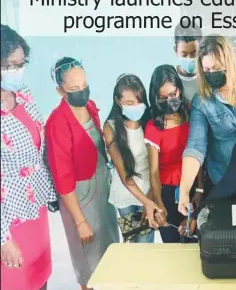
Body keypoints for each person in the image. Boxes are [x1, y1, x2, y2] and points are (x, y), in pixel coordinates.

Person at [45, 57, 120, 290]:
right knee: (88, 260)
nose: (82, 92)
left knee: (109, 249)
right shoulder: (57, 123)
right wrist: (80, 222)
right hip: (79, 198)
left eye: (84, 85)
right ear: (60, 91)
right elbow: (62, 178)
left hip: (101, 192)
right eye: (74, 89)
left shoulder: (90, 106)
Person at [177, 34, 236, 217]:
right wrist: (184, 191)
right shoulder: (202, 101)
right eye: (206, 70)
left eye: (216, 68)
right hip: (224, 181)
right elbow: (195, 147)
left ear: (229, 62)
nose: (211, 74)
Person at [1, 24, 57, 290]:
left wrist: (53, 190)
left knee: (39, 277)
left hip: (35, 208)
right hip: (8, 219)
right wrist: (3, 238)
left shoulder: (24, 94)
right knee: (15, 281)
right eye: (11, 65)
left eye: (21, 64)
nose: (18, 71)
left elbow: (40, 148)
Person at [145, 64, 201, 243]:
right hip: (167, 192)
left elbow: (199, 155)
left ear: (180, 89)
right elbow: (153, 172)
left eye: (173, 94)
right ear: (155, 98)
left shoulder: (192, 115)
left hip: (192, 186)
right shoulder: (153, 127)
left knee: (194, 239)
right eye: (162, 98)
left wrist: (200, 190)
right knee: (172, 243)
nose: (169, 100)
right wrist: (159, 204)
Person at [104, 73, 162, 243]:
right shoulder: (111, 127)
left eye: (139, 101)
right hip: (125, 194)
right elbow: (124, 175)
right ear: (117, 101)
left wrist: (150, 199)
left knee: (145, 242)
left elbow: (157, 167)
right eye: (129, 103)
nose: (136, 106)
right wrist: (145, 201)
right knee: (133, 241)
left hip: (148, 189)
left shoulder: (151, 122)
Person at [173, 20, 202, 103]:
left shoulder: (209, 76)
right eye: (184, 54)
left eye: (194, 53)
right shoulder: (170, 79)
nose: (189, 58)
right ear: (176, 51)